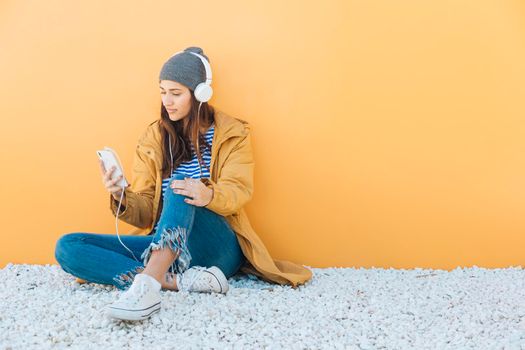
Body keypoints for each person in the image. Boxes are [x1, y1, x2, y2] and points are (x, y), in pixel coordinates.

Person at [54, 46, 312, 321]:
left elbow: (239, 190)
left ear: (200, 94)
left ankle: (146, 290)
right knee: (69, 246)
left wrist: (208, 194)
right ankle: (176, 282)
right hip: (164, 249)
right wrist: (121, 195)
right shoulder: (154, 137)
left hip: (217, 246)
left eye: (176, 93)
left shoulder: (233, 134)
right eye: (163, 92)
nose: (167, 101)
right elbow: (145, 211)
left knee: (180, 185)